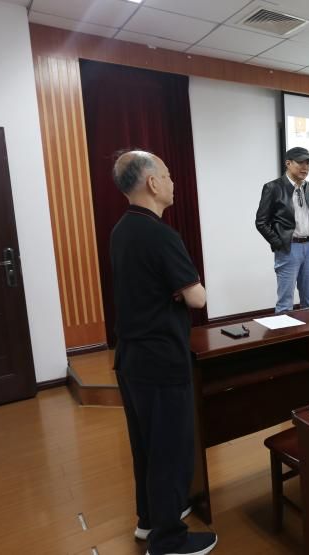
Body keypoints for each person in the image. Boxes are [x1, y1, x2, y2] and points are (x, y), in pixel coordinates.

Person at [110, 150, 217, 555]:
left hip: (131, 358)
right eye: (168, 175)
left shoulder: (122, 229)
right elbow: (197, 298)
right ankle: (169, 540)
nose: (173, 182)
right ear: (152, 183)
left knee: (146, 446)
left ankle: (149, 521)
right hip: (161, 359)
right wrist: (182, 289)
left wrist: (175, 289)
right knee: (170, 449)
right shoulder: (161, 234)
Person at [255, 147, 309, 313]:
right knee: (285, 304)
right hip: (289, 248)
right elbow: (261, 222)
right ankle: (285, 330)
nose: (305, 167)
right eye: (301, 163)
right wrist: (279, 243)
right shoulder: (273, 188)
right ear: (288, 163)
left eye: (308, 164)